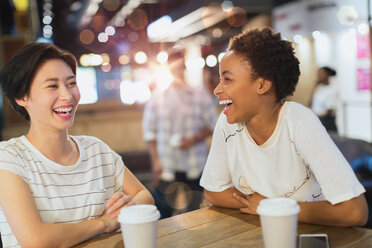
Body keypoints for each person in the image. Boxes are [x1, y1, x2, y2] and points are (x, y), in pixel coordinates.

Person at [200, 27, 368, 227]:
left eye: (227, 79)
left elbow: (354, 212)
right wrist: (264, 206)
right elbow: (213, 190)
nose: (218, 89)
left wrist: (271, 206)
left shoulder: (299, 121)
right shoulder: (228, 122)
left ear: (262, 85)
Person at [0, 42, 154, 248]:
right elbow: (36, 240)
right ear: (22, 97)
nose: (67, 95)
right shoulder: (9, 158)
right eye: (52, 86)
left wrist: (128, 207)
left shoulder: (95, 149)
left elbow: (145, 197)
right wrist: (105, 222)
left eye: (71, 83)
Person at [142, 48, 217, 218]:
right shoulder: (156, 98)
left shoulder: (200, 95)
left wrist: (194, 138)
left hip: (195, 163)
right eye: (174, 65)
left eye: (180, 65)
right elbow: (149, 133)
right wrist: (155, 164)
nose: (177, 69)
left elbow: (213, 125)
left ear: (184, 66)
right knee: (162, 212)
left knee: (198, 212)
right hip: (167, 163)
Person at [310, 66, 338, 133]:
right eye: (318, 74)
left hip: (327, 122)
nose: (318, 76)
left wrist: (314, 117)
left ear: (327, 75)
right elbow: (310, 103)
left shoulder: (333, 89)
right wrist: (314, 88)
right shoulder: (319, 87)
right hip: (317, 121)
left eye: (320, 74)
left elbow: (329, 111)